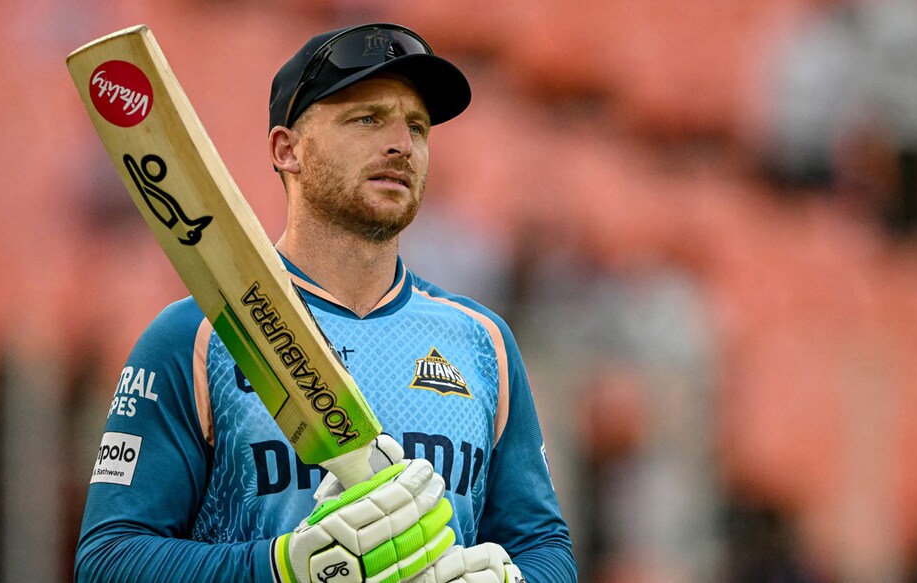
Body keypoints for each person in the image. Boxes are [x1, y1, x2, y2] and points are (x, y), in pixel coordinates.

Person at [74, 22, 577, 583]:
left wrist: (513, 580)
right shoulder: (199, 335)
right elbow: (108, 561)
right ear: (286, 149)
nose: (401, 144)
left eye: (417, 126)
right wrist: (282, 566)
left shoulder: (483, 343)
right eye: (366, 119)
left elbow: (545, 545)